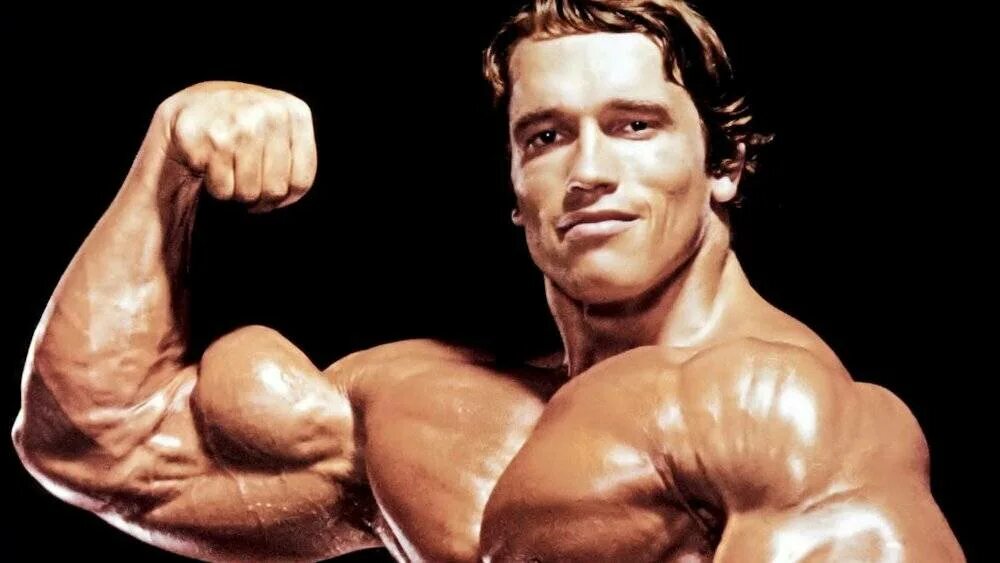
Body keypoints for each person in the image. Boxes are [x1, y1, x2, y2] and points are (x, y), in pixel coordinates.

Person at [11, 0, 965, 561]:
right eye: (546, 136)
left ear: (725, 165)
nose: (588, 170)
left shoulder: (787, 416)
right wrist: (168, 159)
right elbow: (98, 446)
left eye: (634, 126)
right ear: (514, 187)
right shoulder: (430, 410)